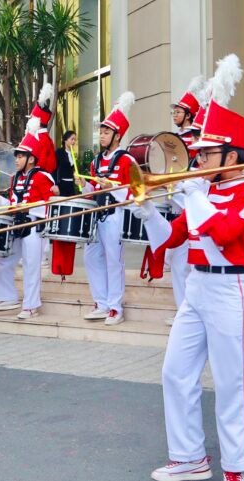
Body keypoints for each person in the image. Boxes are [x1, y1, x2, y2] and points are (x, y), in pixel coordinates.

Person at [137, 54, 244, 481]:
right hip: (197, 289)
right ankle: (189, 457)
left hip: (230, 291)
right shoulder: (202, 191)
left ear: (231, 155)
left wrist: (192, 194)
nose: (199, 161)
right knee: (175, 372)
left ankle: (235, 468)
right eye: (200, 153)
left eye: (207, 154)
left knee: (230, 383)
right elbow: (171, 238)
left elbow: (224, 234)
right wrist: (147, 211)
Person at [0, 117, 54, 319]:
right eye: (16, 156)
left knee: (31, 266)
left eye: (20, 156)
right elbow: (12, 205)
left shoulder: (42, 177)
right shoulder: (14, 178)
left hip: (34, 227)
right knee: (4, 260)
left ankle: (31, 306)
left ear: (31, 159)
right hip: (16, 225)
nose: (16, 160)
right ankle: (7, 297)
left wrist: (29, 207)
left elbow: (50, 206)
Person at [82, 91, 136, 326]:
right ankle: (100, 302)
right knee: (91, 258)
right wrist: (84, 185)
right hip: (97, 216)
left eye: (106, 132)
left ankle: (115, 307)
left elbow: (134, 192)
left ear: (117, 135)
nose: (101, 135)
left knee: (114, 261)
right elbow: (91, 192)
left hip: (116, 214)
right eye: (101, 132)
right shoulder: (95, 161)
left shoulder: (126, 160)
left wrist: (111, 186)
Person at [166, 76, 205, 319]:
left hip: (191, 207)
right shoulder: (174, 137)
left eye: (179, 111)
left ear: (189, 114)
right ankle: (183, 310)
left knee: (188, 266)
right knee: (178, 265)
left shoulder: (193, 140)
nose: (175, 114)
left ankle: (189, 311)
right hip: (178, 207)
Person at [55, 130, 79, 197]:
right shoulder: (59, 152)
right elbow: (54, 169)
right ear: (65, 140)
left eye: (75, 140)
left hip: (71, 184)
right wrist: (55, 184)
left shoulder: (72, 153)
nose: (73, 141)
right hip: (62, 184)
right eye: (72, 139)